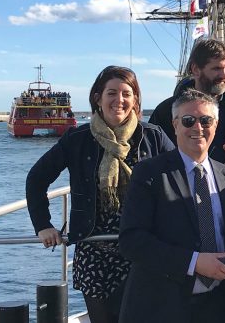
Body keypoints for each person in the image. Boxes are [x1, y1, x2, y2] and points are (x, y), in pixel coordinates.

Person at [26, 66, 175, 323]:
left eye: (127, 93)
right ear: (98, 97)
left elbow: (180, 179)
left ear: (136, 99)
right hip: (94, 251)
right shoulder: (77, 138)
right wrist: (43, 225)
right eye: (112, 93)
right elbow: (36, 179)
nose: (120, 100)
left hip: (143, 249)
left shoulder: (152, 136)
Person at [118, 89, 225, 323]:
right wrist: (193, 262)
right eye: (188, 120)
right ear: (175, 125)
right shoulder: (149, 174)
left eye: (206, 120)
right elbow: (132, 241)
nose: (197, 127)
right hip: (164, 304)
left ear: (216, 124)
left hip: (221, 303)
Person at [149, 38, 225, 180]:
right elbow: (150, 160)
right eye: (217, 68)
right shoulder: (166, 111)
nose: (224, 75)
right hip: (178, 196)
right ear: (196, 69)